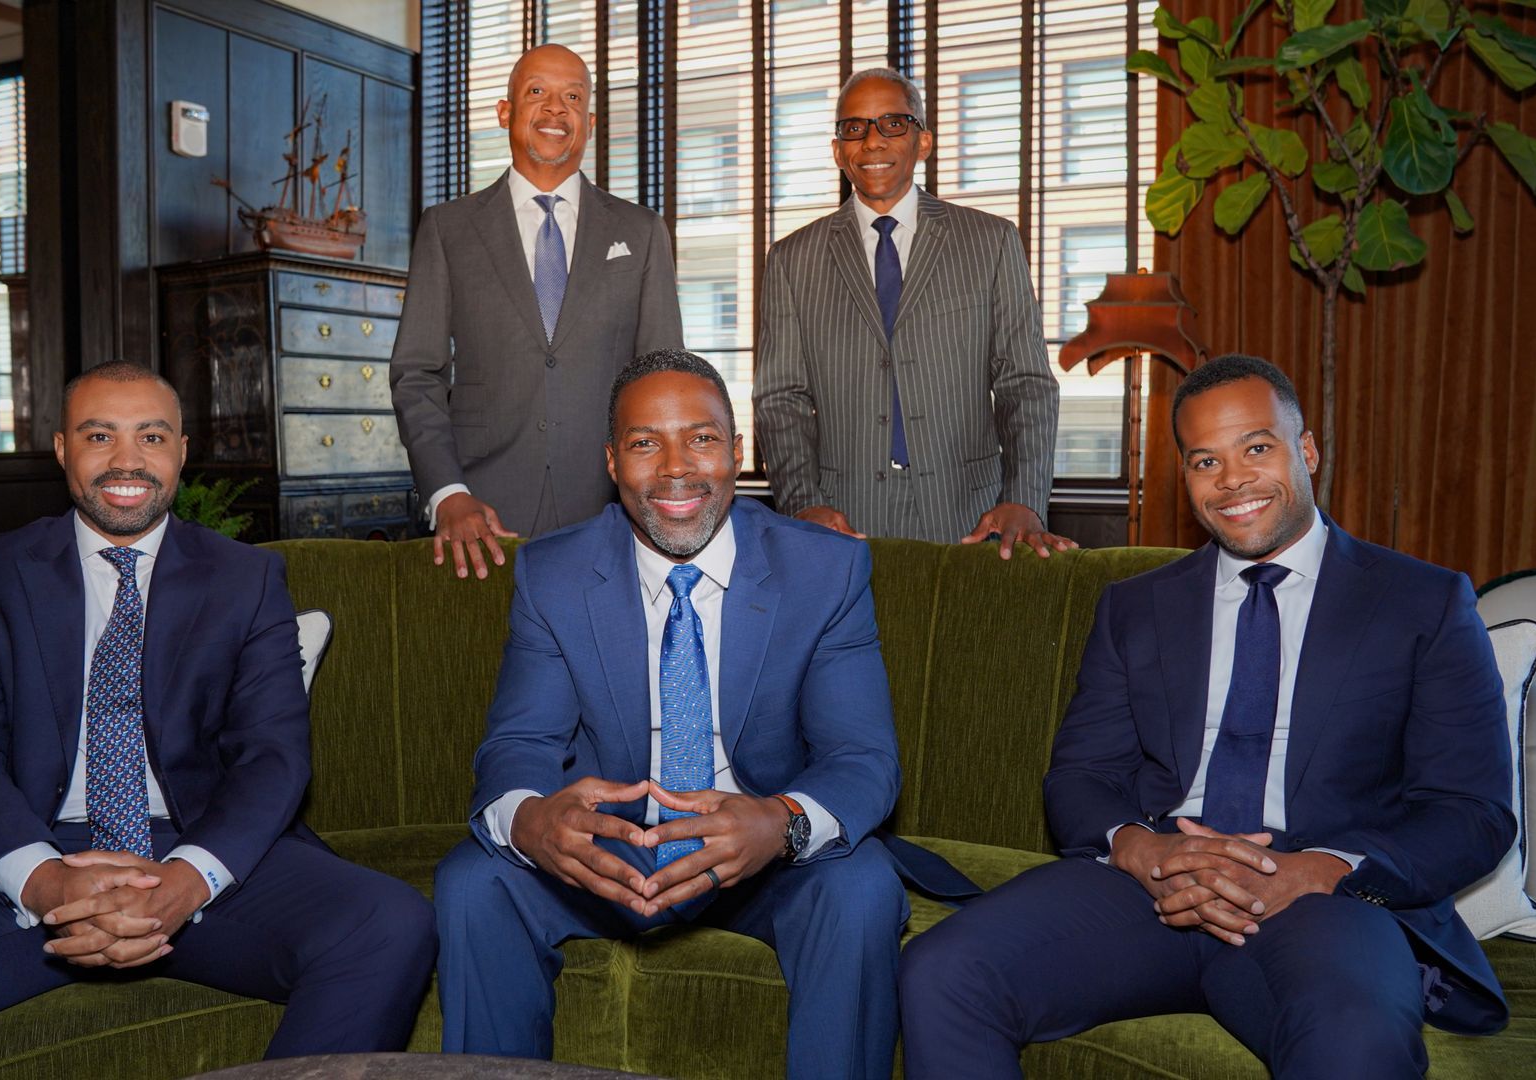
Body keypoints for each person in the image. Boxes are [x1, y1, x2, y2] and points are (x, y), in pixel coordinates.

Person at [0, 362, 438, 1077]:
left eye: (152, 436)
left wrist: (189, 879)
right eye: (99, 435)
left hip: (197, 843)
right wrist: (44, 880)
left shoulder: (246, 579)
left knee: (387, 923)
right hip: (24, 840)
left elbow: (274, 756)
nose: (127, 461)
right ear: (60, 448)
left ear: (181, 451)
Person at [896, 354, 1515, 1078]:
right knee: (943, 971)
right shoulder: (1138, 606)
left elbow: (1472, 812)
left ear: (1306, 450)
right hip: (1151, 886)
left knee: (1357, 1037)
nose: (1233, 481)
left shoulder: (1423, 603)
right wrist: (1139, 849)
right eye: (1204, 460)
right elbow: (1082, 776)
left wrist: (1318, 869)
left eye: (1257, 447)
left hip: (1318, 900)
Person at [435, 349, 970, 1080]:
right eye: (645, 443)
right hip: (614, 847)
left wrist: (780, 822)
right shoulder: (553, 572)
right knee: (475, 881)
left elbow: (862, 755)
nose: (677, 467)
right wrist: (528, 817)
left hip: (759, 847)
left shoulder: (826, 569)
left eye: (703, 438)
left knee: (861, 886)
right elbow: (521, 739)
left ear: (738, 453)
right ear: (613, 463)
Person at [391, 43, 685, 580]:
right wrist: (448, 494)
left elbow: (665, 379)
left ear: (590, 122)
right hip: (480, 523)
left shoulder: (641, 233)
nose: (556, 109)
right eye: (537, 93)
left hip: (613, 518)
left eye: (572, 96)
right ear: (506, 112)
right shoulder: (447, 229)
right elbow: (416, 375)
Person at [754, 67, 1072, 557]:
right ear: (838, 150)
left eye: (893, 124)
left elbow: (1024, 383)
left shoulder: (990, 241)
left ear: (923, 141)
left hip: (973, 517)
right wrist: (803, 505)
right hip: (842, 524)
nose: (873, 142)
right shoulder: (792, 259)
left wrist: (1023, 499)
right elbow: (780, 400)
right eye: (855, 128)